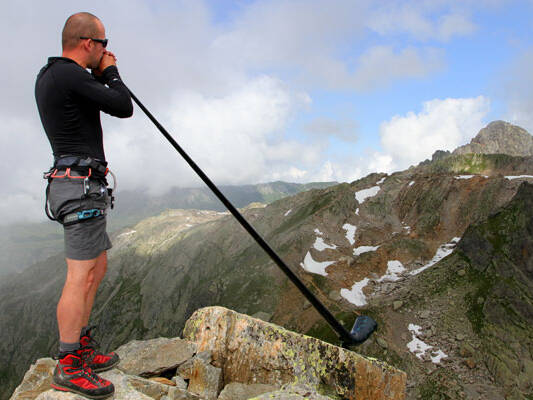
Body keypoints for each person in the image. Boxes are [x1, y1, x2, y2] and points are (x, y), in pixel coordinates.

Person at [35, 12, 133, 399]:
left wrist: (99, 71)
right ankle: (69, 361)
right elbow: (122, 105)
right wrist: (111, 72)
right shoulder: (70, 74)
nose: (108, 50)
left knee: (96, 266)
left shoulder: (53, 76)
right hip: (80, 187)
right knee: (81, 274)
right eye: (104, 43)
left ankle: (80, 347)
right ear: (89, 43)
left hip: (73, 183)